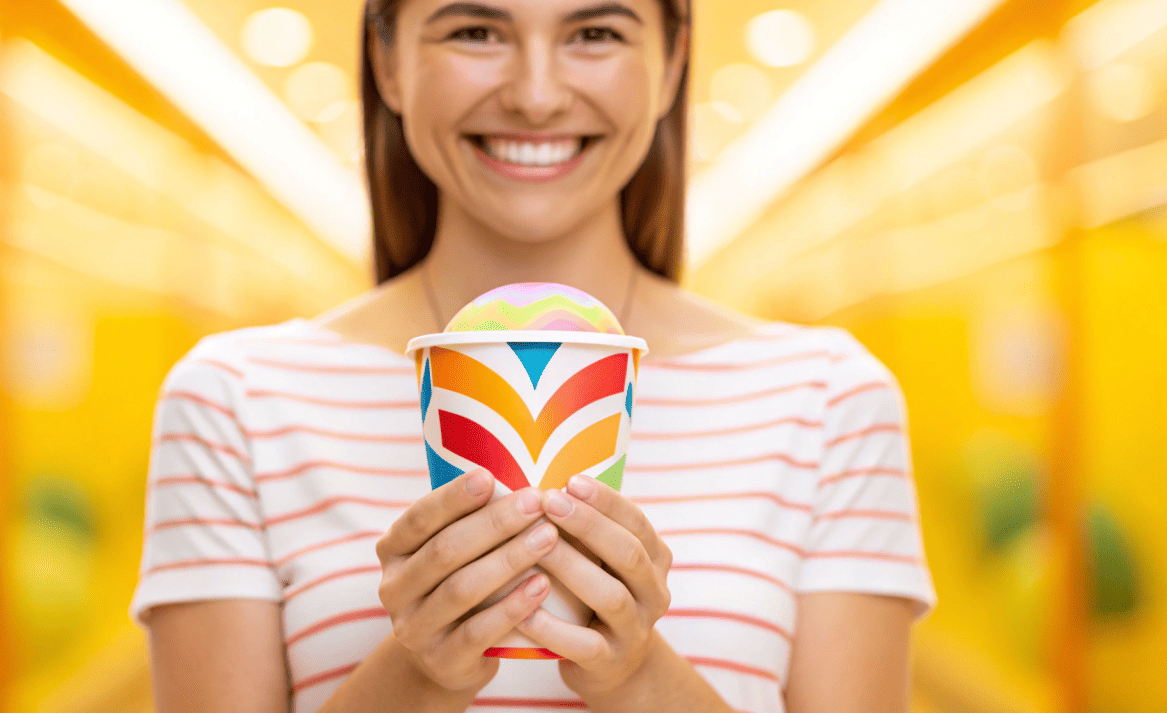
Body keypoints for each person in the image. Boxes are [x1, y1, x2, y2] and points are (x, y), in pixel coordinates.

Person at [132, 0, 936, 710]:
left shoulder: (830, 398)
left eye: (595, 31)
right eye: (476, 30)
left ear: (672, 61)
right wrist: (418, 674)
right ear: (388, 62)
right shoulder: (232, 399)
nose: (537, 94)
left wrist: (636, 675)